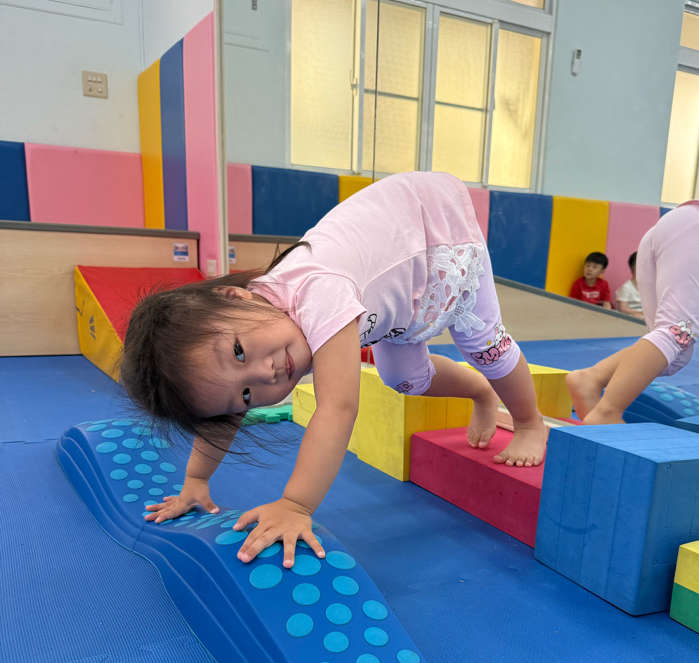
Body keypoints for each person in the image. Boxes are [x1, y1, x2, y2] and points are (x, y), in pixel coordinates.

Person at [121, 171, 548, 568]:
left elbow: (338, 408)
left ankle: (529, 422)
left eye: (238, 352)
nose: (266, 374)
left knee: (484, 345)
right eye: (246, 394)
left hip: (434, 234)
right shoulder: (265, 330)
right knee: (402, 377)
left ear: (237, 297)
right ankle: (481, 392)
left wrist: (295, 505)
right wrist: (195, 480)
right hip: (393, 292)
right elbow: (224, 414)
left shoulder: (318, 292)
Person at [565, 201, 699, 424]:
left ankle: (592, 378)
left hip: (674, 231)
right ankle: (608, 411)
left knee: (675, 352)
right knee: (676, 334)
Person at [614, 252, 644, 320]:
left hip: (644, 316)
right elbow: (623, 309)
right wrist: (641, 313)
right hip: (630, 317)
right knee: (637, 317)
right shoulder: (626, 287)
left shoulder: (648, 288)